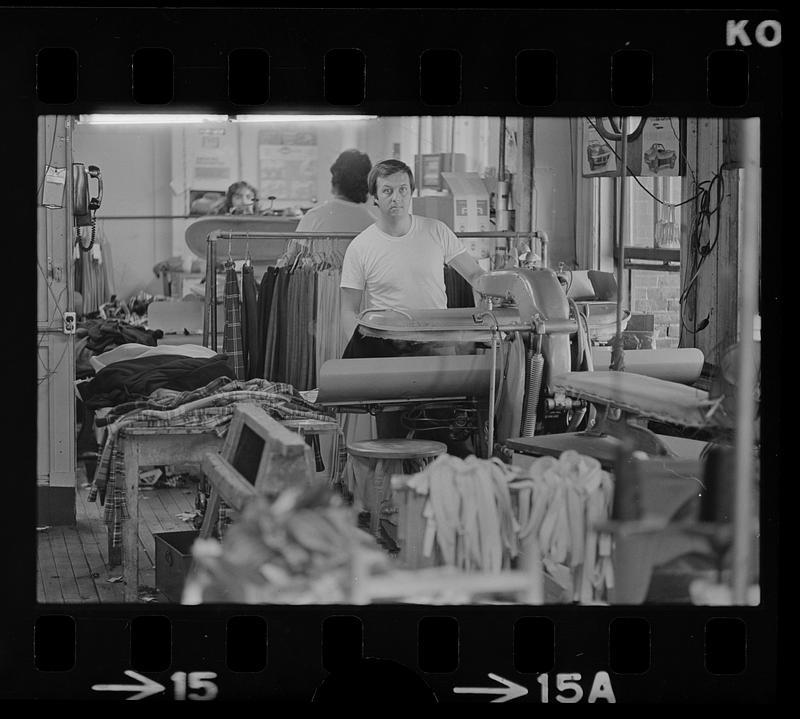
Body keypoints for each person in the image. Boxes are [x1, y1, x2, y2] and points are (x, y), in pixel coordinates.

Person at [339, 159, 486, 445]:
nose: (397, 198)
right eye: (388, 191)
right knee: (392, 438)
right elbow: (348, 309)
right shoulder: (361, 247)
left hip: (438, 347)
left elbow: (476, 275)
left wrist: (500, 294)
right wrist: (361, 360)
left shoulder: (436, 231)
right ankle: (394, 490)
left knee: (442, 435)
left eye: (403, 190)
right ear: (375, 198)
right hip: (387, 352)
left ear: (411, 193)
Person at [285, 149, 375, 264]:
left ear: (335, 179)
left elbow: (291, 259)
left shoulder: (314, 217)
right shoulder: (372, 223)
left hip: (320, 281)